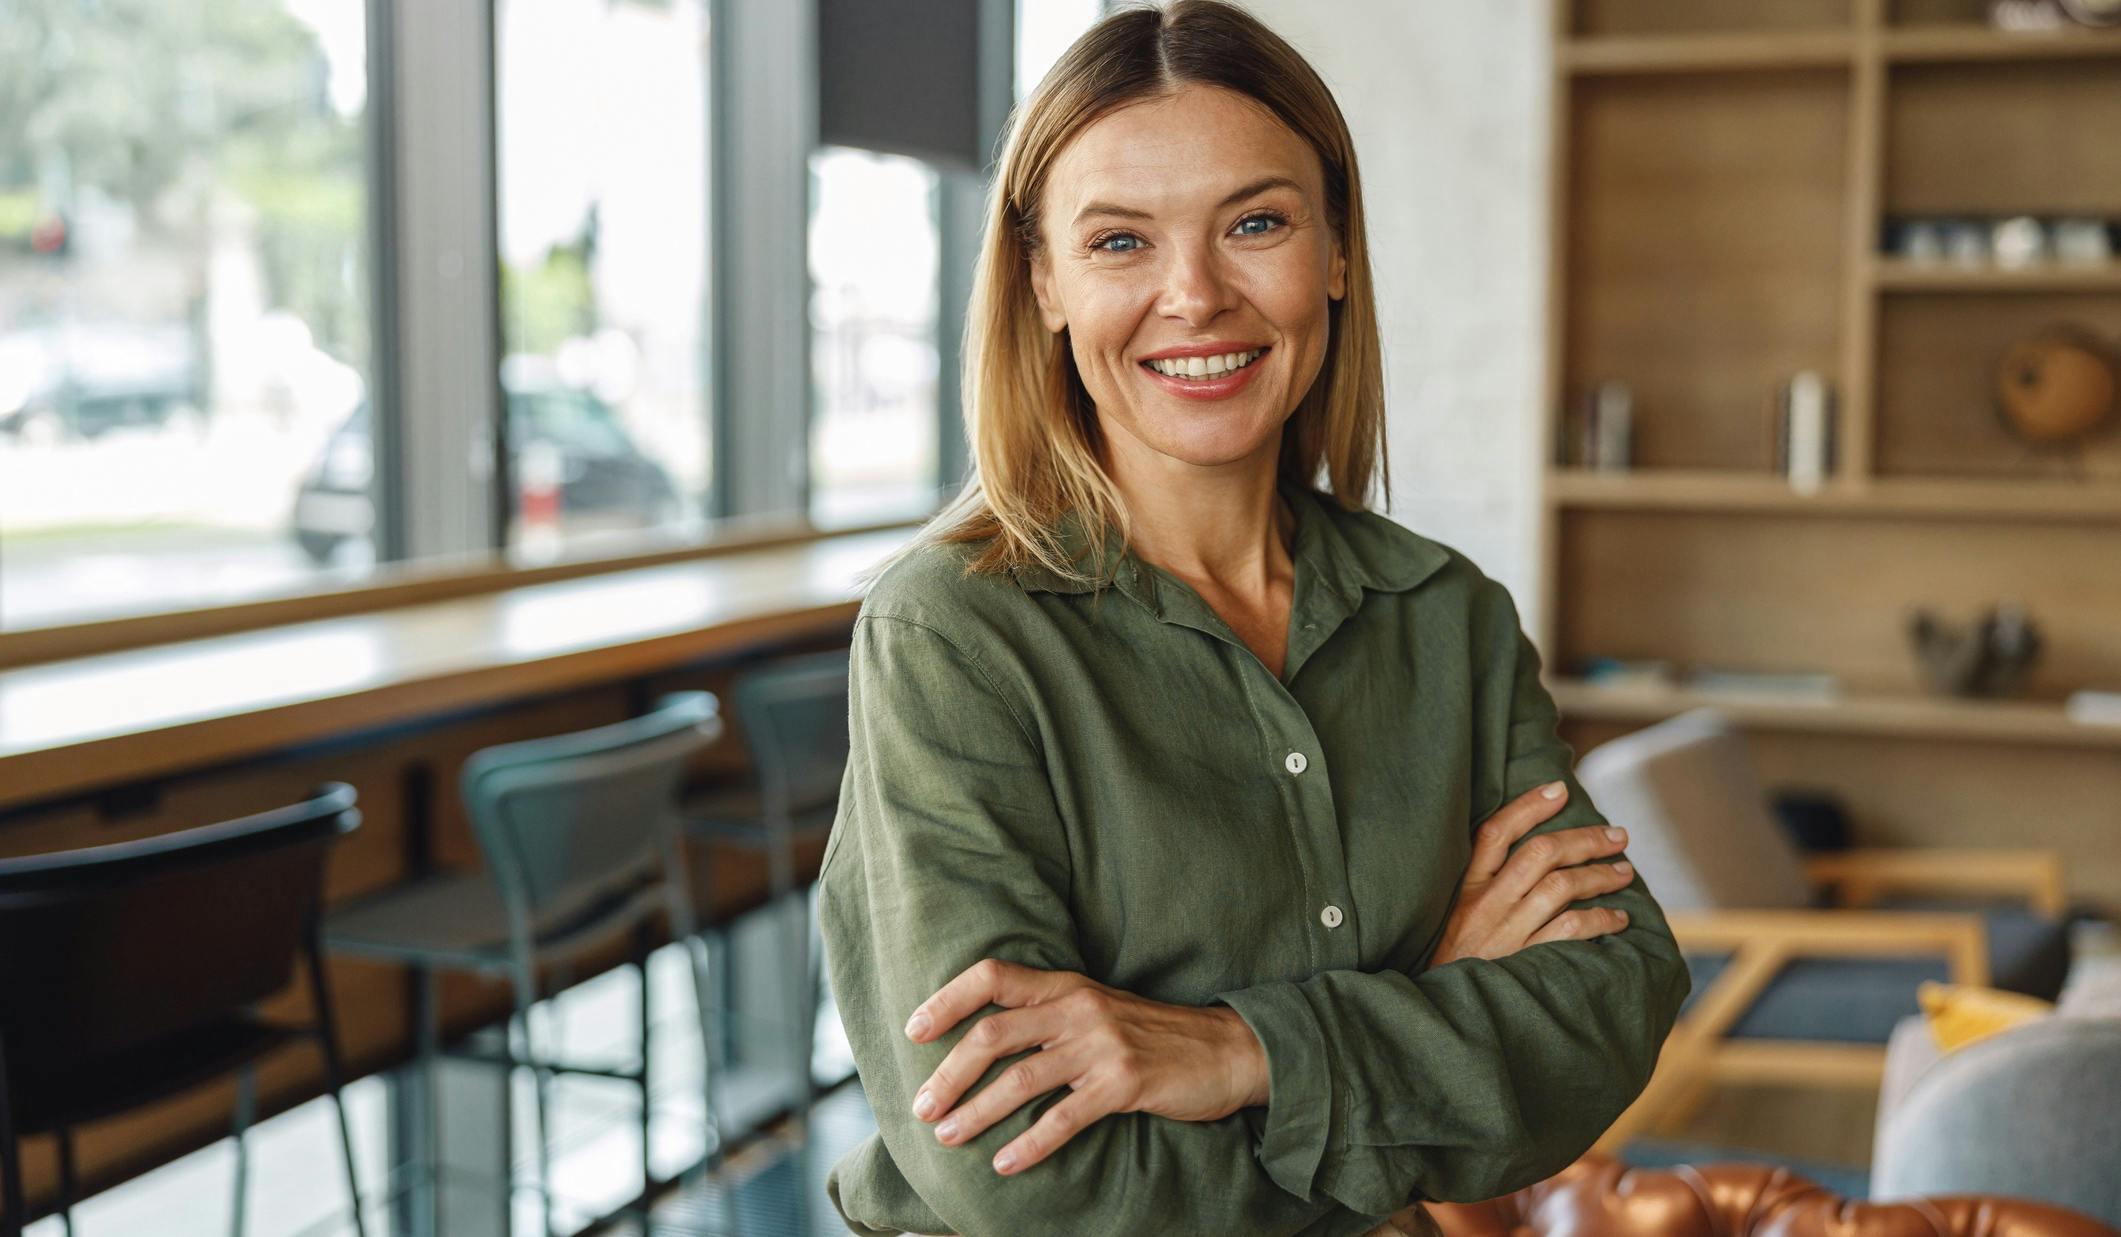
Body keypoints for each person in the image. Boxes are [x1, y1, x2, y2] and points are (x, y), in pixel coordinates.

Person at [815, 4, 1691, 1234]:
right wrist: (1423, 1023)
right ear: (1044, 283)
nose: (1195, 295)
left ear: (1333, 251)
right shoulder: (954, 636)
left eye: (1257, 223)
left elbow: (1612, 999)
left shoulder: (1448, 618)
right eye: (1121, 241)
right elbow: (1021, 1167)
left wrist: (1239, 1052)